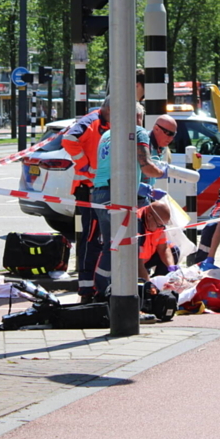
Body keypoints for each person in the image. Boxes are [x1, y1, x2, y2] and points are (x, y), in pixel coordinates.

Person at [92, 103, 166, 296]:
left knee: (110, 245)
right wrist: (162, 172)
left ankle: (102, 289)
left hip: (100, 193)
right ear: (138, 117)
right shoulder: (138, 132)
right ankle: (130, 294)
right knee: (127, 245)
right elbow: (146, 165)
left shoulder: (107, 135)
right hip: (118, 195)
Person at [62, 99, 111, 301]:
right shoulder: (91, 121)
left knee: (99, 239)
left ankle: (96, 285)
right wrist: (86, 164)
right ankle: (86, 289)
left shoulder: (109, 124)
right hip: (87, 189)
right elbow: (69, 139)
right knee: (90, 239)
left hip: (100, 189)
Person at [138, 199, 176, 279]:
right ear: (149, 216)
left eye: (163, 225)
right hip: (133, 263)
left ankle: (161, 281)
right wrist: (149, 285)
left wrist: (171, 267)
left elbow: (164, 248)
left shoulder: (157, 222)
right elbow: (137, 263)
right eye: (159, 225)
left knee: (174, 250)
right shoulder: (137, 225)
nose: (161, 228)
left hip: (146, 258)